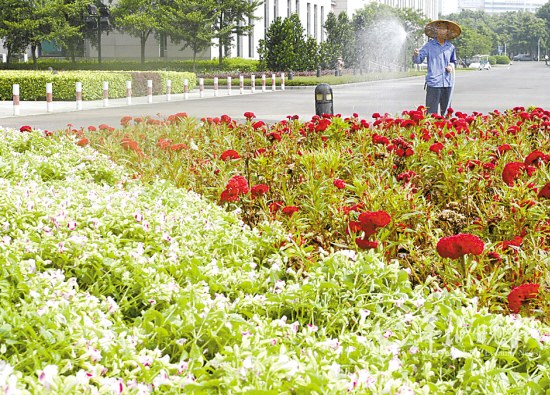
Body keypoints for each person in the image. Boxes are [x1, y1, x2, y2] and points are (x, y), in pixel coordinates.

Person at [413, 19, 461, 116]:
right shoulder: (429, 45)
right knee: (431, 114)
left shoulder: (450, 47)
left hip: (447, 83)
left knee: (447, 113)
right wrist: (416, 54)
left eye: (444, 29)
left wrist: (451, 66)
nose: (442, 31)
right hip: (434, 83)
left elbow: (453, 61)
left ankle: (445, 130)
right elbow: (418, 60)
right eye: (439, 28)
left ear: (447, 31)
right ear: (436, 30)